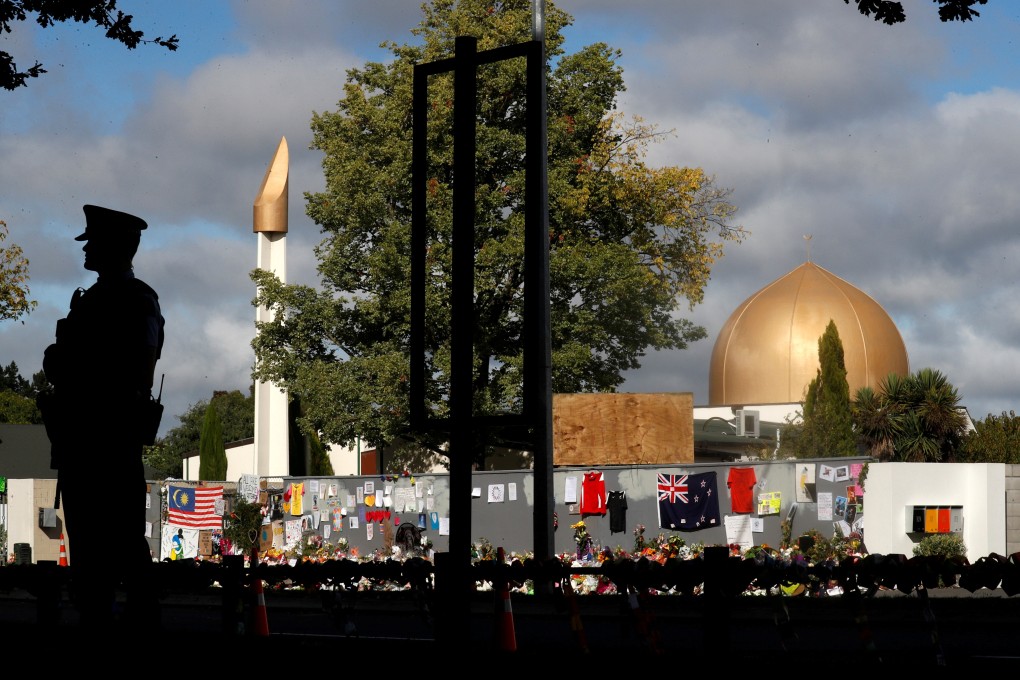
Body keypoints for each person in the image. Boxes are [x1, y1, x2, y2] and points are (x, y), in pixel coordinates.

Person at [40, 204, 165, 631]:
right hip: (82, 438)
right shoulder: (93, 298)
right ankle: (98, 615)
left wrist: (72, 362)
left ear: (116, 247)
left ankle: (134, 620)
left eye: (93, 242)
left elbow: (137, 368)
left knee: (122, 539)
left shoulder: (136, 300)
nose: (87, 249)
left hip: (110, 438)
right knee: (88, 542)